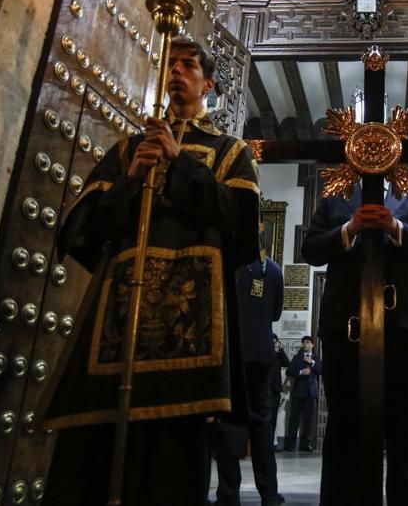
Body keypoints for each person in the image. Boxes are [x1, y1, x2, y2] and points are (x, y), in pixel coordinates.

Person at [37, 37, 261, 505]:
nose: (176, 71)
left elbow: (240, 228)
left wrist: (180, 163)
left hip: (190, 322)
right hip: (120, 315)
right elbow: (81, 232)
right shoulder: (128, 150)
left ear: (209, 84)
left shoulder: (230, 151)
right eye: (170, 64)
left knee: (172, 459)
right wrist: (131, 180)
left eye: (188, 64)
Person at [302, 184, 408, 506]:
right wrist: (349, 229)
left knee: (403, 428)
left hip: (403, 326)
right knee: (342, 425)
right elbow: (310, 249)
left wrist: (396, 227)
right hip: (345, 326)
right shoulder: (334, 193)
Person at [212, 253, 286, 506]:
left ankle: (228, 494)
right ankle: (269, 493)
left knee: (229, 423)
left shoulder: (231, 266)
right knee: (262, 425)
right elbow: (275, 314)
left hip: (234, 352)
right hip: (262, 354)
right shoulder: (274, 271)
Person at [284, 336, 322, 452]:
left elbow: (321, 370)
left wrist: (312, 362)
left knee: (308, 420)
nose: (305, 344)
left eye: (307, 342)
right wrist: (301, 372)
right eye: (303, 342)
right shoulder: (297, 357)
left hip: (311, 393)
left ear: (312, 345)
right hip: (298, 391)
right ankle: (291, 445)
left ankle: (305, 444)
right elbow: (289, 371)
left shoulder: (316, 358)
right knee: (294, 419)